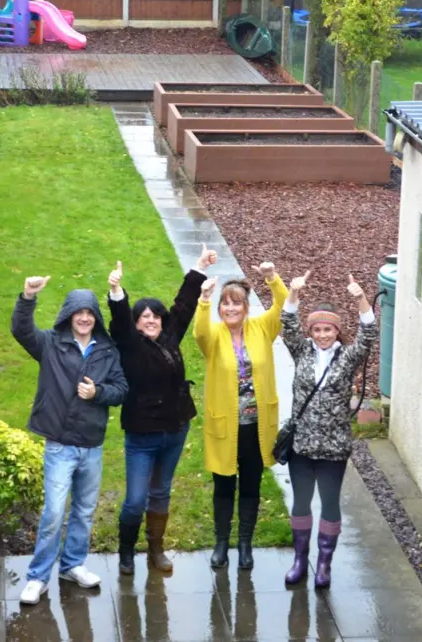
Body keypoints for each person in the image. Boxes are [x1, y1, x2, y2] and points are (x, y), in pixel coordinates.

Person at [11, 275, 129, 605]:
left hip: (91, 444)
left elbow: (121, 390)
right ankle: (37, 577)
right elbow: (21, 331)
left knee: (84, 511)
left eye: (90, 312)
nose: (84, 317)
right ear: (68, 314)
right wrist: (27, 297)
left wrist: (98, 392)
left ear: (96, 317)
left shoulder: (107, 350)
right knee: (52, 513)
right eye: (78, 312)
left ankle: (73, 565)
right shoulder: (51, 343)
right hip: (60, 444)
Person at [107, 245, 218, 575]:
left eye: (155, 315)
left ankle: (156, 548)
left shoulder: (170, 338)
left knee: (161, 493)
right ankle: (126, 550)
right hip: (142, 436)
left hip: (175, 430)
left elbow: (182, 307)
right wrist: (116, 292)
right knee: (135, 500)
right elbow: (119, 321)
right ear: (136, 324)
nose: (151, 319)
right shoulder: (129, 345)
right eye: (144, 317)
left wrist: (198, 267)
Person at [281, 271, 377, 589]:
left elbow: (368, 331)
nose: (323, 335)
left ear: (337, 331)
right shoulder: (301, 351)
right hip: (302, 447)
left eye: (329, 329)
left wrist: (360, 297)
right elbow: (288, 321)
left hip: (334, 448)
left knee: (331, 504)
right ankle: (299, 559)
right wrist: (293, 292)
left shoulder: (347, 358)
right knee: (301, 502)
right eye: (318, 329)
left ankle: (324, 563)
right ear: (311, 331)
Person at [194, 263, 288, 570]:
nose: (230, 308)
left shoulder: (261, 327)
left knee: (251, 485)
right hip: (226, 424)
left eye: (236, 303)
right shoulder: (214, 336)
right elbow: (199, 331)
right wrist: (205, 299)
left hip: (256, 426)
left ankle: (245, 544)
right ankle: (221, 543)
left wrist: (272, 278)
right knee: (223, 485)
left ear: (246, 307)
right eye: (226, 303)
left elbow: (284, 306)